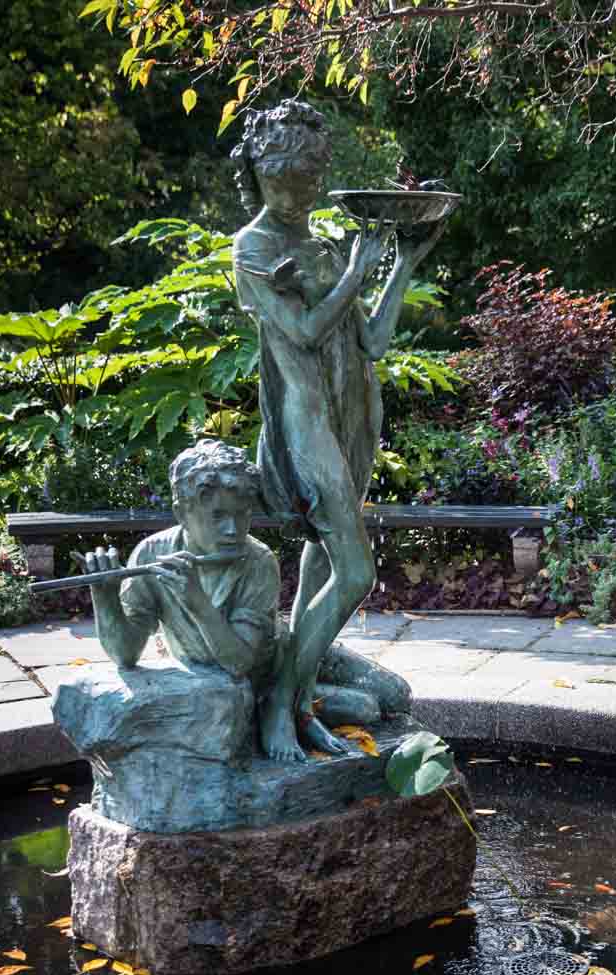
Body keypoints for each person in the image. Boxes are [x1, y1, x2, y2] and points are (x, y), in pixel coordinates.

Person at [229, 100, 441, 761]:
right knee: (353, 571)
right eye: (289, 175)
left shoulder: (317, 244)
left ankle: (300, 706)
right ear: (261, 173)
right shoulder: (253, 247)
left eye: (312, 174)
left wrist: (405, 261)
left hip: (354, 415)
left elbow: (371, 340)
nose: (303, 188)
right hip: (306, 425)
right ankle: (273, 712)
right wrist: (355, 271)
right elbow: (301, 331)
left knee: (321, 570)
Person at [82, 439, 279, 684]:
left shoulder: (259, 562)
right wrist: (105, 599)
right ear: (182, 514)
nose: (233, 530)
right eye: (217, 516)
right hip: (199, 684)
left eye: (243, 514)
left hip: (259, 686)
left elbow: (239, 664)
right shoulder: (151, 553)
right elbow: (125, 655)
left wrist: (197, 602)